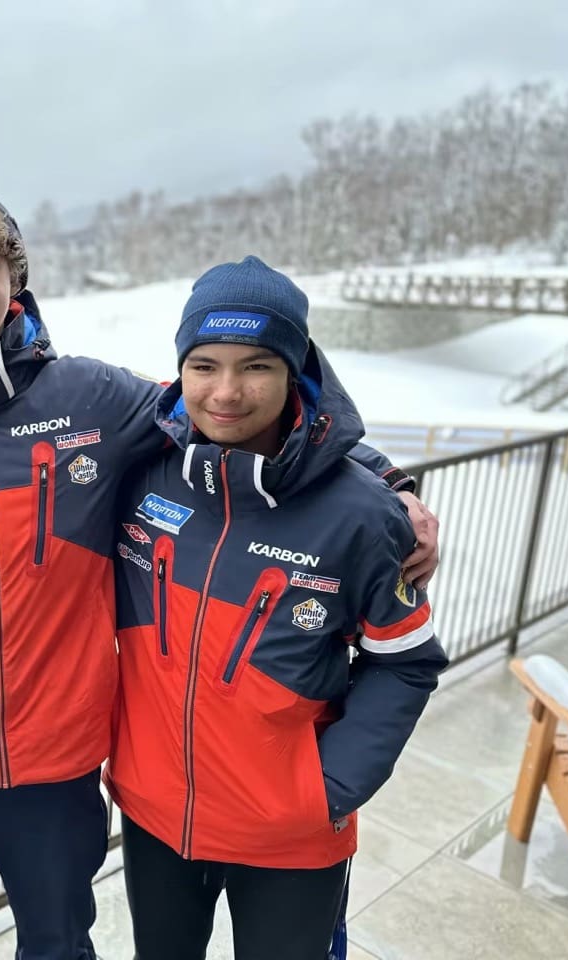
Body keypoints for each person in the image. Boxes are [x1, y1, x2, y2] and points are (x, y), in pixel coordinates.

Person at [0, 186, 438, 960]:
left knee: (59, 942)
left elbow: (232, 409)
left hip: (57, 754)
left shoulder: (91, 395)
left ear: (15, 277)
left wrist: (391, 482)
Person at [107, 256, 449, 960]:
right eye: (203, 366)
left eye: (257, 365)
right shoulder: (143, 468)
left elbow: (405, 665)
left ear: (296, 370)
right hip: (154, 816)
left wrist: (324, 790)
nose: (226, 391)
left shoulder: (360, 515)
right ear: (181, 372)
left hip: (290, 836)